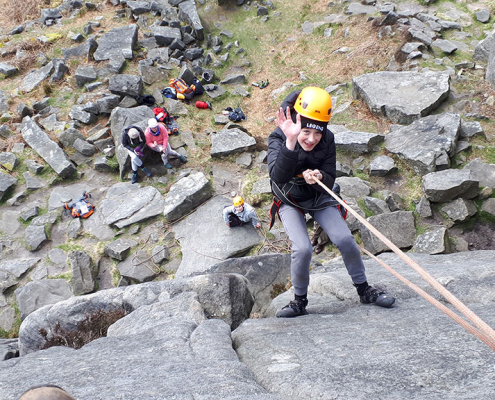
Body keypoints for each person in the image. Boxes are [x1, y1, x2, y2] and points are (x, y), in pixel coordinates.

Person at [267, 86, 395, 318]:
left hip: (317, 195)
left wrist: (318, 177)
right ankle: (299, 301)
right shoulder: (278, 136)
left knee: (345, 239)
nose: (312, 139)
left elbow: (330, 174)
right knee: (303, 249)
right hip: (289, 198)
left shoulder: (328, 139)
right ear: (297, 122)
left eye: (317, 133)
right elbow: (277, 176)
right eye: (306, 132)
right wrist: (292, 140)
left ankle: (364, 290)